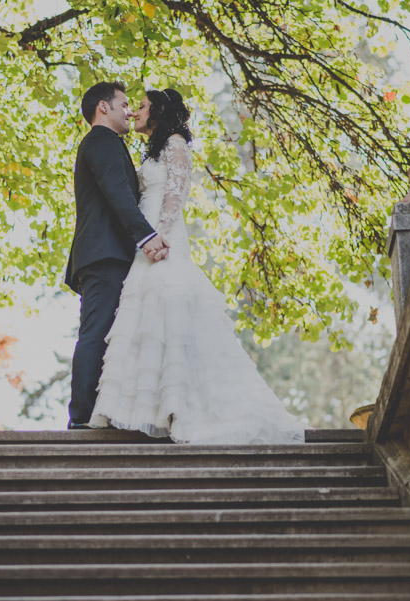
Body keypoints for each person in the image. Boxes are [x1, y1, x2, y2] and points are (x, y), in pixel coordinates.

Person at [87, 88, 307, 444]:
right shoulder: (151, 150)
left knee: (166, 312)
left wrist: (160, 236)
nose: (133, 112)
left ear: (158, 110)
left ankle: (177, 406)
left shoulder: (175, 143)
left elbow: (175, 193)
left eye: (140, 106)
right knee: (144, 320)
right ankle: (146, 408)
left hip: (162, 239)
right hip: (146, 243)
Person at [65, 81, 171, 430]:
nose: (130, 111)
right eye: (124, 104)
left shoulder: (108, 144)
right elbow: (117, 193)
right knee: (96, 333)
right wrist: (147, 236)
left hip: (108, 255)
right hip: (104, 255)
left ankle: (101, 411)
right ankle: (81, 418)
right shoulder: (102, 141)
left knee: (108, 333)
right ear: (103, 108)